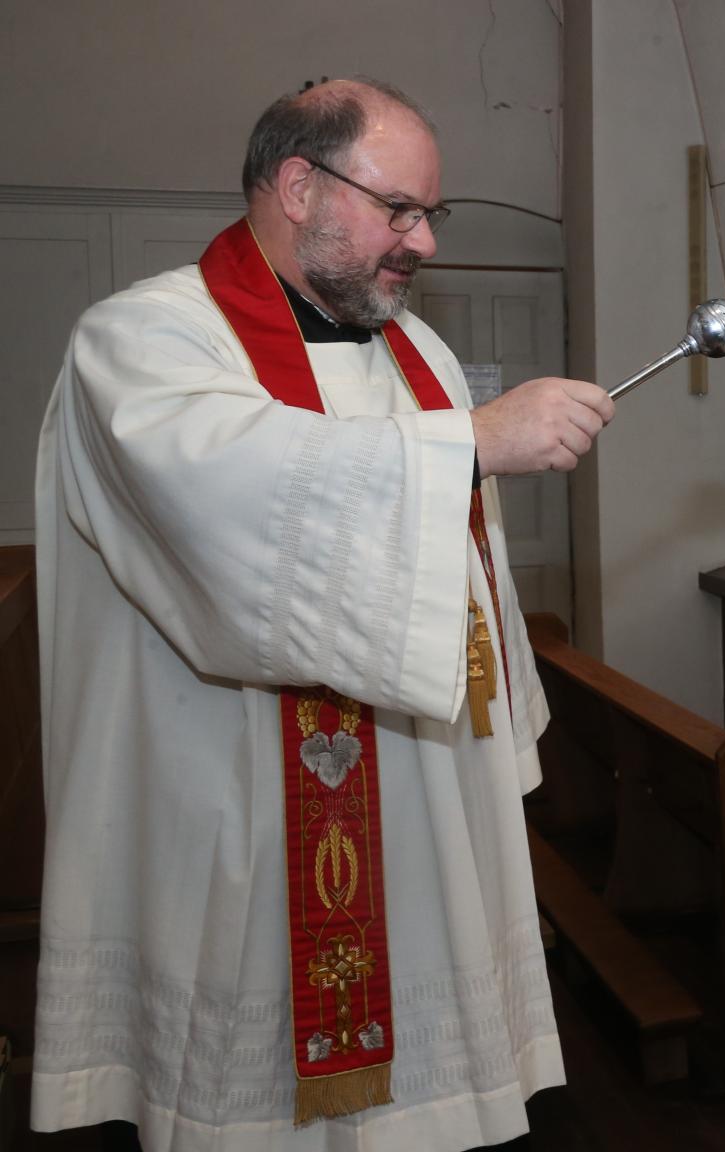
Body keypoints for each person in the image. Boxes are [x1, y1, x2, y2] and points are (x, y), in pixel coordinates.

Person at [32, 78, 614, 1151]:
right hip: (231, 819)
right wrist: (472, 446)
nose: (424, 241)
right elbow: (226, 494)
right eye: (400, 210)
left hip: (424, 824)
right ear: (299, 185)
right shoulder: (143, 341)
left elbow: (474, 597)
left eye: (433, 214)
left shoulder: (421, 358)